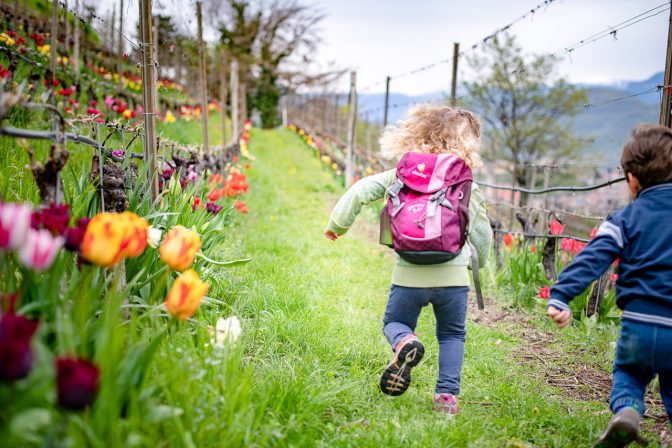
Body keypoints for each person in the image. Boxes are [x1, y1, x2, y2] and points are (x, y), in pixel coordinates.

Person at [324, 105, 492, 415]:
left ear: (419, 134)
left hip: (408, 273)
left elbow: (360, 190)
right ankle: (446, 399)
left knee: (395, 322)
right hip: (453, 277)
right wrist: (477, 263)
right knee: (452, 334)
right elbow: (481, 232)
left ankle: (404, 342)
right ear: (467, 144)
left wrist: (338, 225)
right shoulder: (466, 182)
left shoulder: (401, 173)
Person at [546, 124, 672, 447]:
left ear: (632, 178)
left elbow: (593, 258)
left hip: (638, 323)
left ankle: (628, 411)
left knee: (629, 375)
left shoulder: (625, 220)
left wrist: (560, 295)